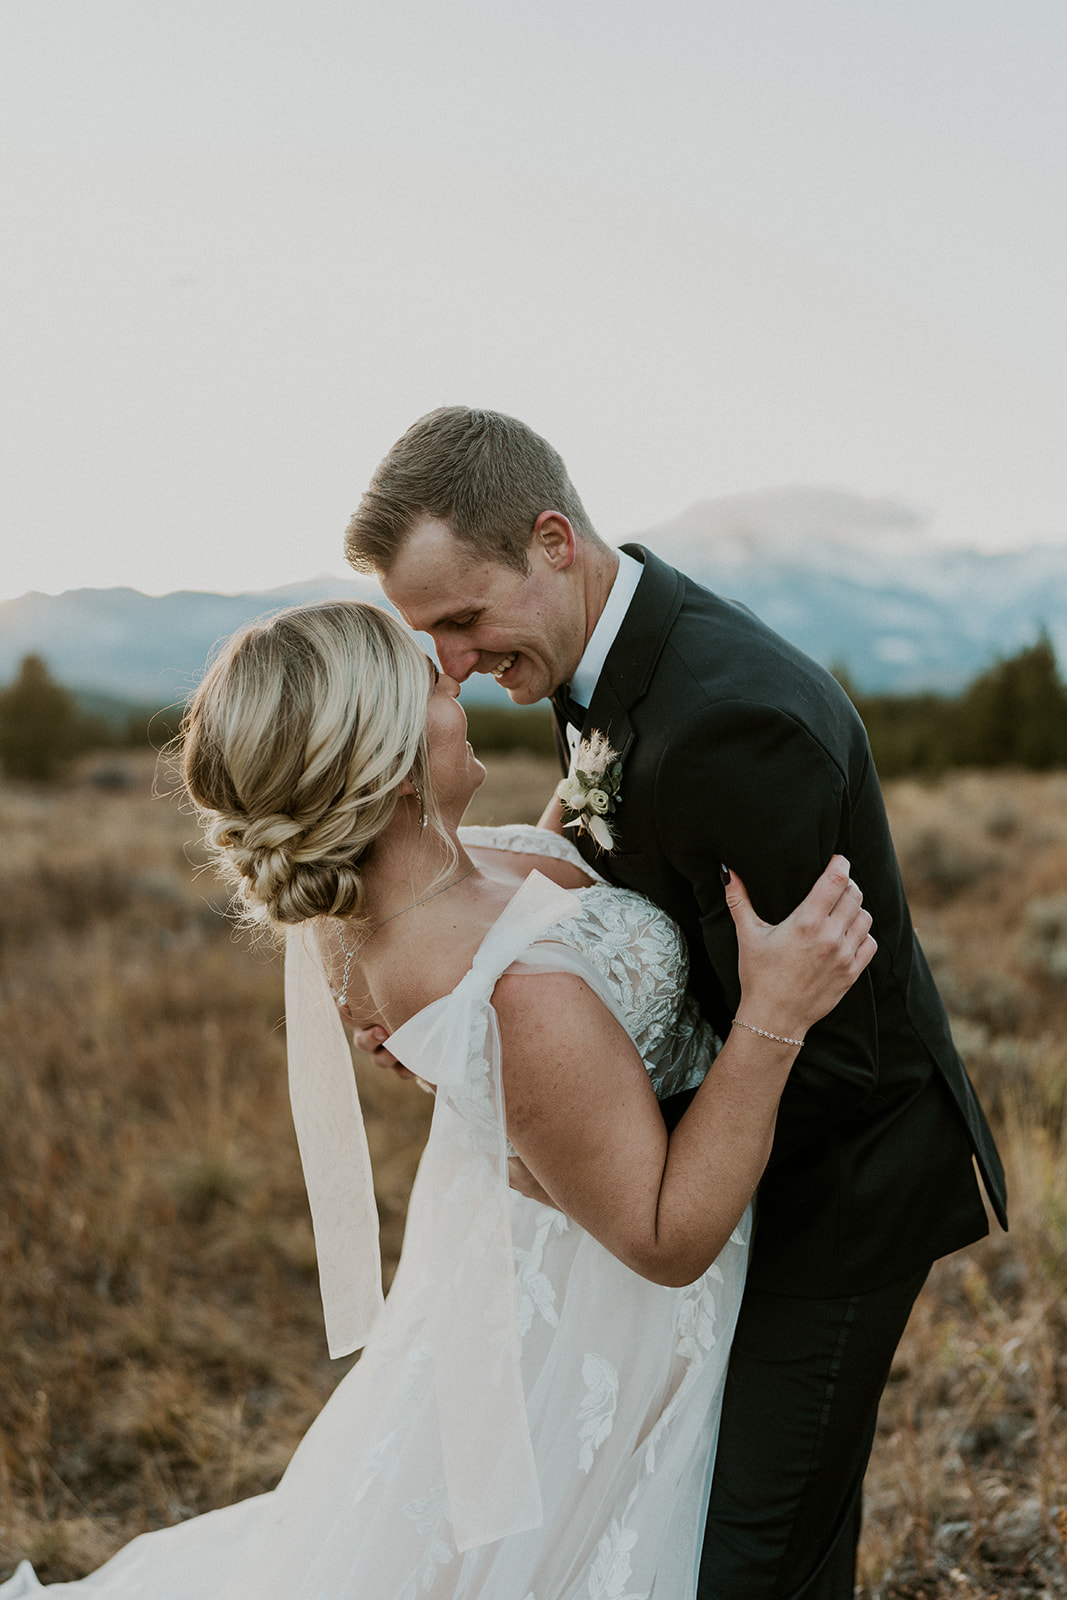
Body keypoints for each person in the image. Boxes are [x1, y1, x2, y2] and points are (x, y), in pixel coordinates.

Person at [1, 600, 873, 1599]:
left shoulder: (383, 890)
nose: (453, 683)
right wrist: (774, 1012)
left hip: (519, 1252)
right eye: (427, 681)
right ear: (384, 763)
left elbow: (478, 959)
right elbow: (663, 1235)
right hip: (612, 1307)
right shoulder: (519, 991)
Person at [342, 406, 1008, 1600]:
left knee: (748, 1551)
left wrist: (573, 1121)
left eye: (459, 619)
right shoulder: (598, 649)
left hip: (834, 1187)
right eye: (427, 632)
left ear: (553, 541)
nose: (447, 661)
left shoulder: (733, 724)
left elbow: (837, 1052)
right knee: (776, 1519)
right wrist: (478, 1023)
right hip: (745, 1162)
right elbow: (626, 865)